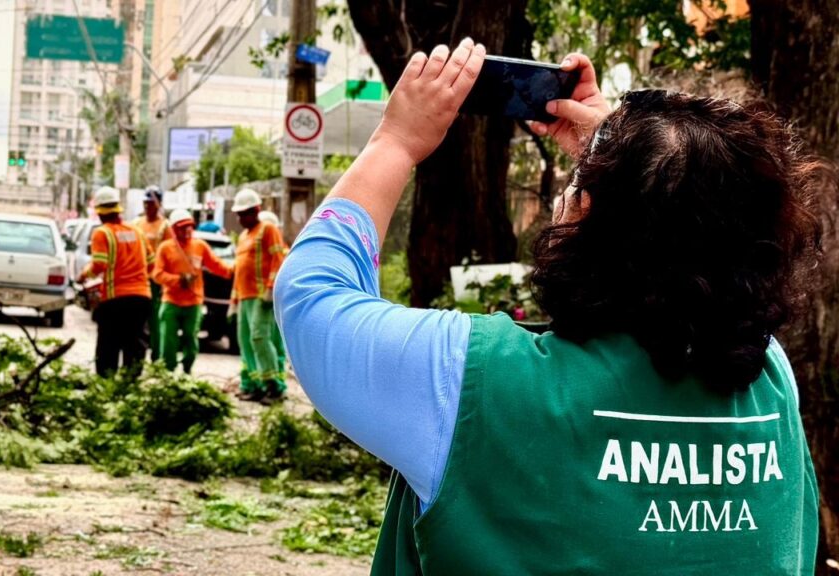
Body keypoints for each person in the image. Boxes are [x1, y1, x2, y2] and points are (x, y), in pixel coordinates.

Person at [275, 39, 821, 574]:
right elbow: (697, 241)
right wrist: (637, 158)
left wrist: (395, 141)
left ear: (583, 215)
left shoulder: (470, 382)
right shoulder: (771, 382)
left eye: (575, 186)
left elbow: (312, 296)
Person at [78, 186, 155, 377]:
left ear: (100, 213)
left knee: (108, 345)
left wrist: (83, 275)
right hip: (141, 298)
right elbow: (152, 264)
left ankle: (106, 386)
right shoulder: (137, 231)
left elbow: (99, 266)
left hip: (115, 299)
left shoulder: (102, 233)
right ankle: (130, 386)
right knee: (135, 345)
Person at [153, 208, 233, 373]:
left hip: (193, 302)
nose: (187, 230)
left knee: (191, 338)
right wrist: (178, 280)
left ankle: (187, 369)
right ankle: (168, 372)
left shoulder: (200, 246)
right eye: (182, 227)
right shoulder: (165, 248)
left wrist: (233, 271)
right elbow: (157, 274)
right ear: (174, 229)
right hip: (171, 302)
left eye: (189, 226)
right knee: (168, 340)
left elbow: (216, 265)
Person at [230, 188, 288, 403]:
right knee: (245, 341)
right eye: (238, 213)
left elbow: (278, 258)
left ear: (255, 210)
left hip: (261, 296)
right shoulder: (244, 236)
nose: (240, 218)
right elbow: (239, 270)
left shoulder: (267, 229)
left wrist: (271, 287)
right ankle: (255, 384)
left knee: (259, 337)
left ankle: (274, 385)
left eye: (244, 213)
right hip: (244, 297)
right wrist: (234, 299)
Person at [133, 186, 174, 361]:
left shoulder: (165, 226)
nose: (147, 206)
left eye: (151, 203)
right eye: (145, 203)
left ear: (158, 204)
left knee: (154, 320)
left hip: (155, 280)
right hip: (139, 277)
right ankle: (136, 358)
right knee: (137, 321)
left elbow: (170, 253)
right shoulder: (137, 224)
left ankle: (156, 357)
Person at [258, 210, 288, 374]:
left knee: (275, 339)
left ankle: (277, 380)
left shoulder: (282, 251)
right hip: (267, 299)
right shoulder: (270, 249)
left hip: (275, 300)